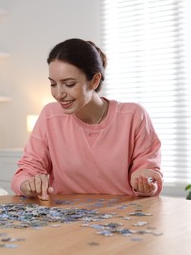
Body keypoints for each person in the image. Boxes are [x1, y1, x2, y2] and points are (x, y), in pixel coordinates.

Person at [11, 38, 163, 201]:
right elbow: (26, 171)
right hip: (66, 219)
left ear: (95, 80)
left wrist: (145, 183)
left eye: (69, 84)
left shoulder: (134, 116)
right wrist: (28, 184)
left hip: (122, 218)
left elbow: (149, 175)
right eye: (53, 84)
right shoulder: (50, 116)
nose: (58, 94)